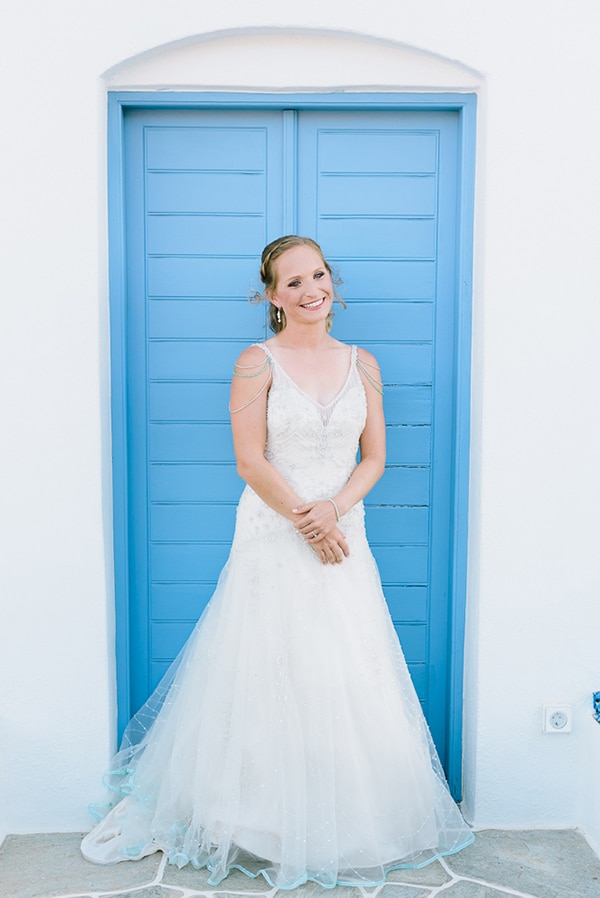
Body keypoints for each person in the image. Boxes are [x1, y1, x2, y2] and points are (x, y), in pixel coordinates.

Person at [81, 235, 474, 888]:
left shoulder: (364, 364)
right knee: (270, 661)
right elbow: (249, 460)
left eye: (318, 275)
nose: (311, 290)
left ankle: (351, 820)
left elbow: (375, 456)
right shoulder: (255, 364)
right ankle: (257, 821)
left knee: (346, 662)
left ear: (331, 281)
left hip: (343, 534)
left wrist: (333, 511)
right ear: (271, 296)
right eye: (293, 282)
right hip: (273, 532)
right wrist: (305, 519)